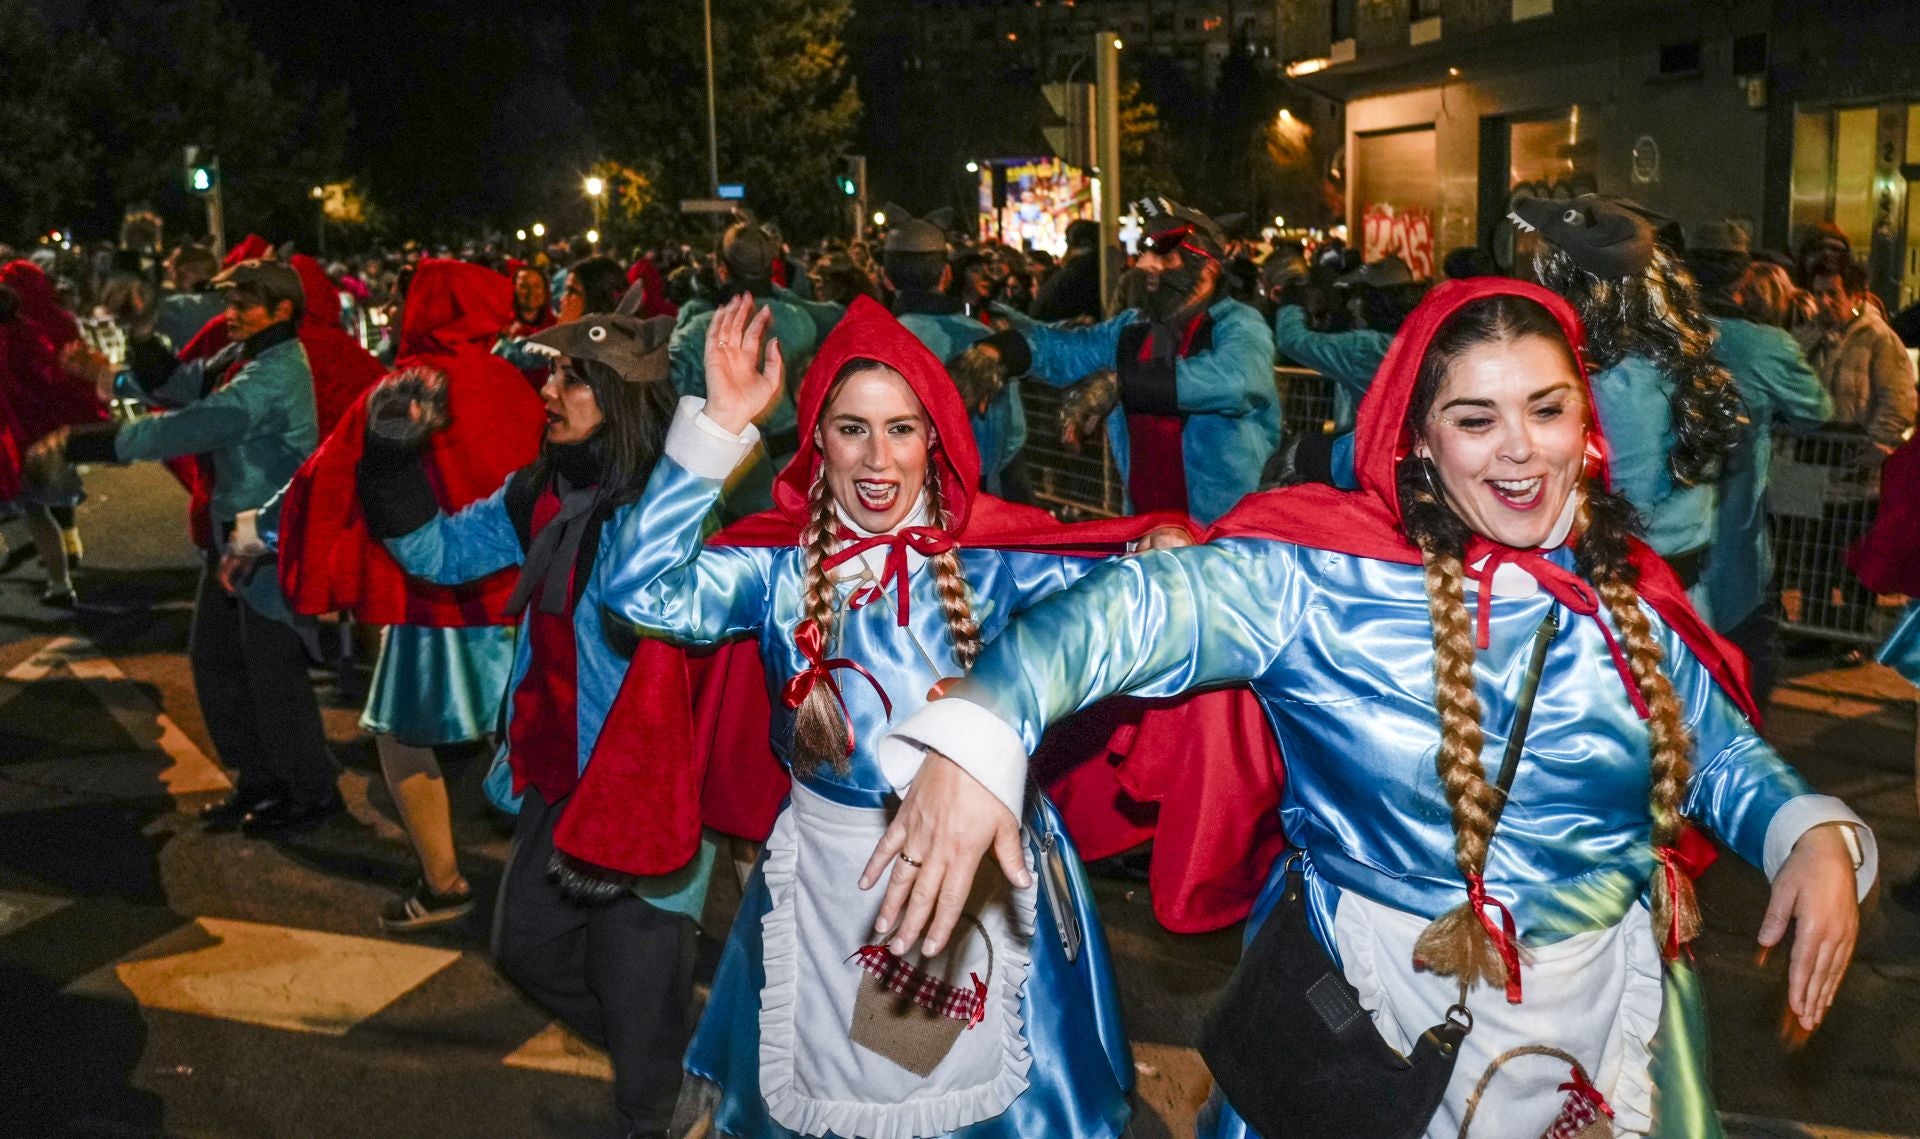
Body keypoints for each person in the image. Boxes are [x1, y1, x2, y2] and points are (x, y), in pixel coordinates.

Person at [874, 278, 1873, 1138]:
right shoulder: (1319, 581)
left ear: (1588, 425)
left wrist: (1805, 831)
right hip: (1369, 1030)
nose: (1520, 452)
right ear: (1420, 442)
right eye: (1476, 419)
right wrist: (982, 728)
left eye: (1548, 408)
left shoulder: (1629, 591)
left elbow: (1720, 754)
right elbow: (1130, 613)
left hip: (1606, 1029)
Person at [594, 294, 1192, 1139]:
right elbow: (639, 591)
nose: (878, 458)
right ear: (818, 441)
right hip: (828, 881)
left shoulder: (997, 564)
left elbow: (1123, 606)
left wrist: (1159, 559)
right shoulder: (773, 572)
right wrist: (719, 427)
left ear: (935, 441)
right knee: (833, 1102)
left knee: (962, 1111)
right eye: (852, 429)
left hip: (974, 878)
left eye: (902, 429)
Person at [354, 300, 701, 1139]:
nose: (548, 389)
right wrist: (391, 455)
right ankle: (687, 1068)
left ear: (620, 397)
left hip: (641, 788)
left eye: (571, 377)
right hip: (554, 773)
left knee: (632, 977)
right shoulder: (542, 489)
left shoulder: (664, 511)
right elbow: (438, 553)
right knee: (527, 951)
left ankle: (661, 1101)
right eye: (552, 371)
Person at [262, 260, 545, 930]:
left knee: (401, 739)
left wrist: (269, 541)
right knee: (534, 742)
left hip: (438, 598)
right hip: (526, 596)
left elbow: (326, 480)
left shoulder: (404, 387)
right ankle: (545, 887)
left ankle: (444, 881)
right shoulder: (515, 381)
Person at [36, 260, 342, 834]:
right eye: (229, 303)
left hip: (266, 544)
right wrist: (142, 336)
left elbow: (192, 422)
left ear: (282, 311)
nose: (231, 315)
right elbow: (178, 382)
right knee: (219, 664)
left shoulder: (273, 372)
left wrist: (80, 442)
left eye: (244, 305)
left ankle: (310, 791)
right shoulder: (243, 358)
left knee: (273, 673)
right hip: (237, 540)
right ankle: (262, 781)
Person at [954, 198, 1281, 524]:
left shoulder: (1240, 324)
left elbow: (1234, 380)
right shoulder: (1131, 327)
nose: (1144, 264)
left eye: (1163, 255)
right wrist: (997, 353)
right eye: (1145, 251)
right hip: (1145, 533)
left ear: (1207, 268)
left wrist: (1123, 382)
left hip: (1225, 541)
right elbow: (1066, 350)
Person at [1513, 194, 1742, 576]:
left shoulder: (1622, 380)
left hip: (1634, 594)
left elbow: (1626, 506)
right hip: (1667, 580)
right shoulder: (1665, 358)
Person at [1685, 222, 1833, 700]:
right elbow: (1817, 411)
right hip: (1735, 555)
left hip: (1657, 558)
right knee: (1745, 683)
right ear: (1743, 277)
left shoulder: (1652, 339)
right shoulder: (1765, 346)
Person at [667, 222, 843, 519]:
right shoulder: (799, 319)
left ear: (722, 270)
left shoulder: (700, 332)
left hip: (729, 487)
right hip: (797, 478)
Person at [1795, 257, 1917, 635]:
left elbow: (1898, 398)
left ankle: (1852, 633)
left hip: (1855, 463)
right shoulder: (1807, 336)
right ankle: (1812, 628)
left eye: (1833, 293)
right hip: (1813, 461)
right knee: (1812, 554)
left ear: (1856, 295)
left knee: (1853, 556)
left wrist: (1879, 443)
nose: (1825, 301)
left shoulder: (1880, 340)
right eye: (1818, 294)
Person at [880, 212, 1028, 499]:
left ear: (885, 278)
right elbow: (1010, 435)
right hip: (974, 499)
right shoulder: (985, 341)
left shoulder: (871, 340)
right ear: (946, 275)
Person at [0, 260, 106, 604]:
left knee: (31, 506)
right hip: (41, 431)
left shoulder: (22, 333)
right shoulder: (35, 328)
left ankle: (54, 570)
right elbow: (56, 374)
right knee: (38, 506)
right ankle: (62, 579)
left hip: (15, 435)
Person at [156, 244, 226, 351]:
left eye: (171, 270)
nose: (170, 276)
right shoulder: (228, 302)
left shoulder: (177, 307)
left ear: (184, 271)